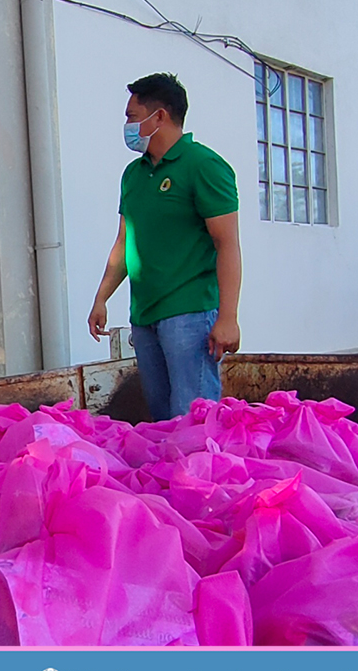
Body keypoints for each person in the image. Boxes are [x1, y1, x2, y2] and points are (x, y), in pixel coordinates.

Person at [88, 73, 242, 421]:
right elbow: (125, 242)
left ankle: (202, 477)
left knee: (193, 421)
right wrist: (102, 298)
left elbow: (227, 243)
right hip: (145, 317)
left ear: (159, 117)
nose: (127, 125)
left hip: (189, 315)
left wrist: (228, 317)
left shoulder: (203, 166)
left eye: (131, 116)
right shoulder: (133, 175)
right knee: (161, 421)